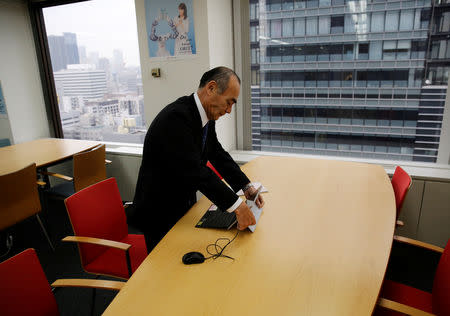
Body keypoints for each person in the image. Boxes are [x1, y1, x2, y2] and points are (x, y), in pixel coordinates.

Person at [131, 66, 265, 252]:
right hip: (159, 211)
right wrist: (238, 207)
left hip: (181, 205)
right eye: (229, 102)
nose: (229, 110)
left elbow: (216, 153)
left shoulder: (203, 116)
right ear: (211, 88)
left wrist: (245, 186)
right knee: (165, 269)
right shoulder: (176, 118)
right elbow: (196, 171)